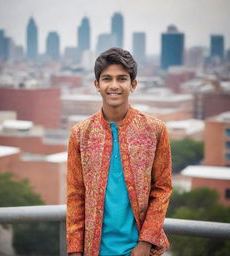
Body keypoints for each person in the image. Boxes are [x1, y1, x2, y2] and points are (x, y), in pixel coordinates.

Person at [66, 47, 172, 256]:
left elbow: (162, 188)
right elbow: (75, 196)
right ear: (97, 85)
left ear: (133, 84)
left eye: (122, 79)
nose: (114, 86)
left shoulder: (155, 130)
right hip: (94, 250)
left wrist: (145, 242)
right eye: (107, 79)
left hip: (139, 250)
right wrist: (75, 251)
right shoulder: (80, 134)